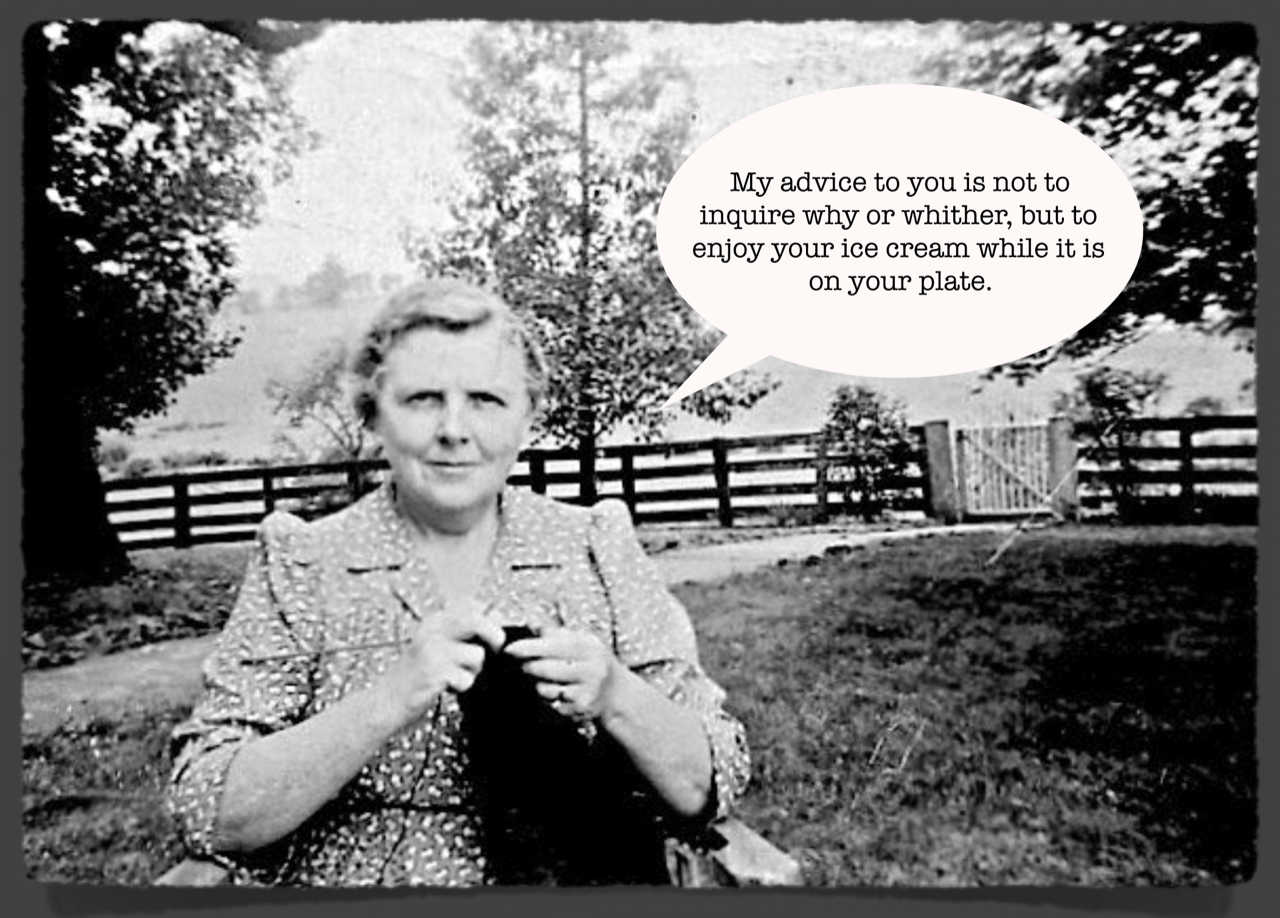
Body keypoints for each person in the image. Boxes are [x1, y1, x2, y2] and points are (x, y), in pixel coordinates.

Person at [167, 279, 750, 886]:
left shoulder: (595, 546)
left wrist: (616, 694)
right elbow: (207, 808)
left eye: (486, 400)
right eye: (422, 399)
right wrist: (392, 698)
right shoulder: (304, 563)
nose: (454, 429)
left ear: (527, 415)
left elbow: (717, 776)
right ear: (373, 413)